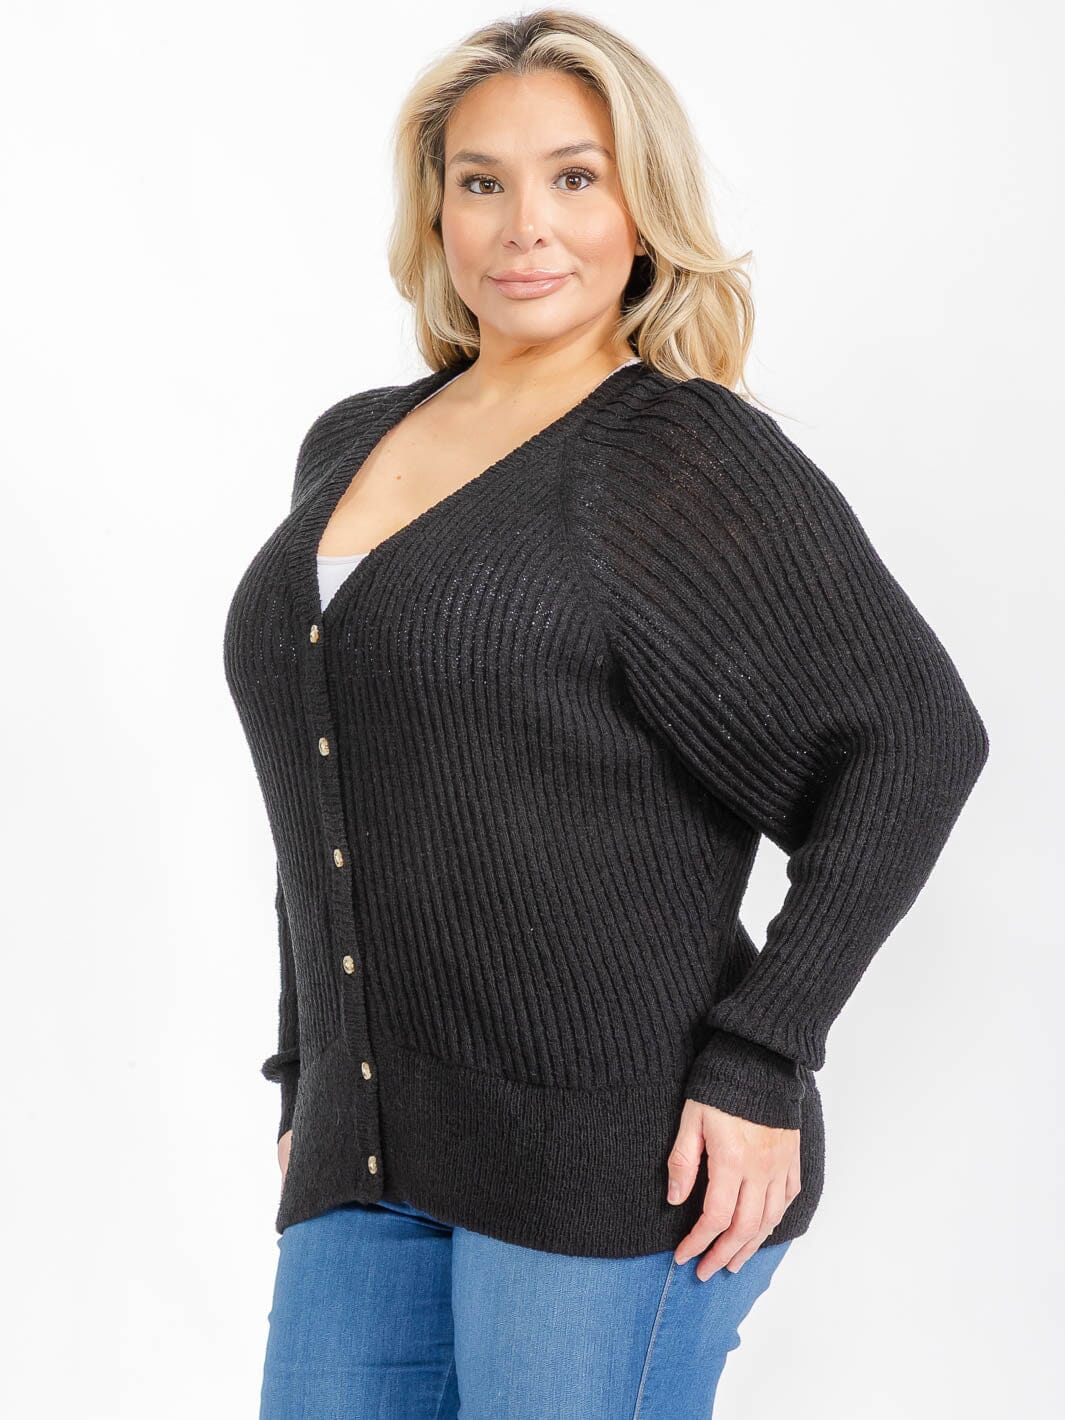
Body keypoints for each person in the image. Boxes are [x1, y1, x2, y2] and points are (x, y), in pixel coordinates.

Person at [222, 11, 990, 1418]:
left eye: (575, 177)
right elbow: (331, 793)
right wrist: (308, 1075)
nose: (527, 225)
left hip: (615, 1155)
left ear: (643, 209)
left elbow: (913, 740)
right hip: (369, 1144)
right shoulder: (351, 441)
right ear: (435, 210)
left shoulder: (678, 454)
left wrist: (762, 1059)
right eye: (482, 181)